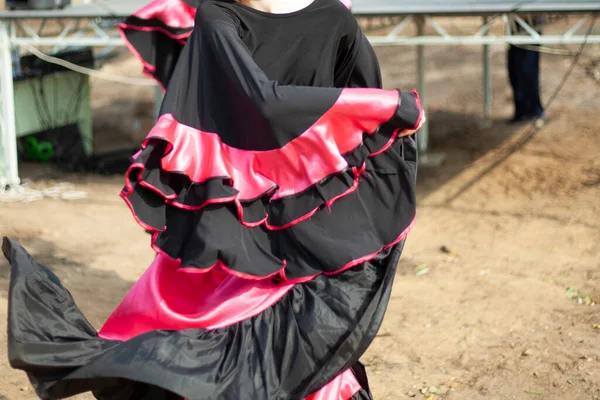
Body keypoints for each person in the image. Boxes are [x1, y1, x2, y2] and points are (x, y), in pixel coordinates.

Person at [2, 0, 425, 398]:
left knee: (295, 320)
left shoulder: (333, 18)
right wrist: (389, 106)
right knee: (213, 320)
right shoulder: (218, 18)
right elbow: (265, 104)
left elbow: (365, 119)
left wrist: (381, 112)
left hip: (298, 197)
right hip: (236, 199)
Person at [507, 15, 546, 125]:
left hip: (531, 20)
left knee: (528, 69)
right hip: (515, 20)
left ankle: (535, 112)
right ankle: (521, 111)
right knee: (514, 69)